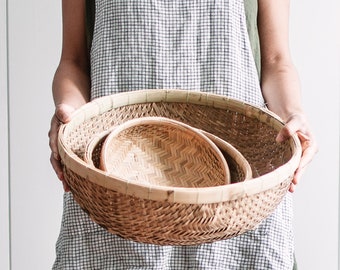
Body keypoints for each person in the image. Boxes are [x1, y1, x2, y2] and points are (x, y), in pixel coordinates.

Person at [48, 0, 318, 269]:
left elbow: (276, 61)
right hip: (114, 184)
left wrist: (294, 115)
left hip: (239, 192)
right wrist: (70, 115)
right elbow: (74, 61)